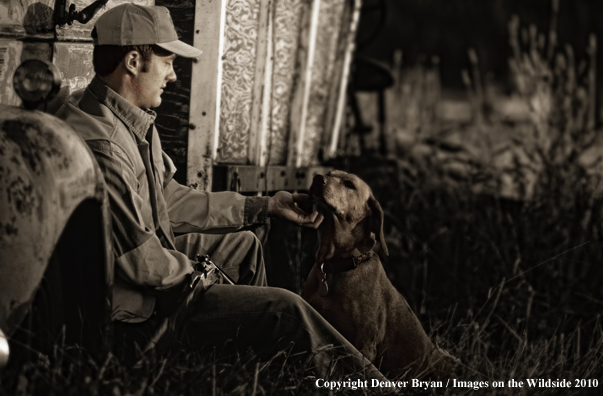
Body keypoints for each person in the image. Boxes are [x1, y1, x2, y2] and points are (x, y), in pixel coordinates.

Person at [56, 3, 386, 380]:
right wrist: (198, 274)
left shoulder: (125, 116)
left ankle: (247, 370)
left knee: (244, 245)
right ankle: (371, 387)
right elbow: (140, 263)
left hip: (147, 274)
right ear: (133, 61)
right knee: (286, 309)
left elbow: (167, 200)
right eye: (167, 61)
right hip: (135, 314)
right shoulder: (105, 146)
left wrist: (262, 206)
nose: (173, 76)